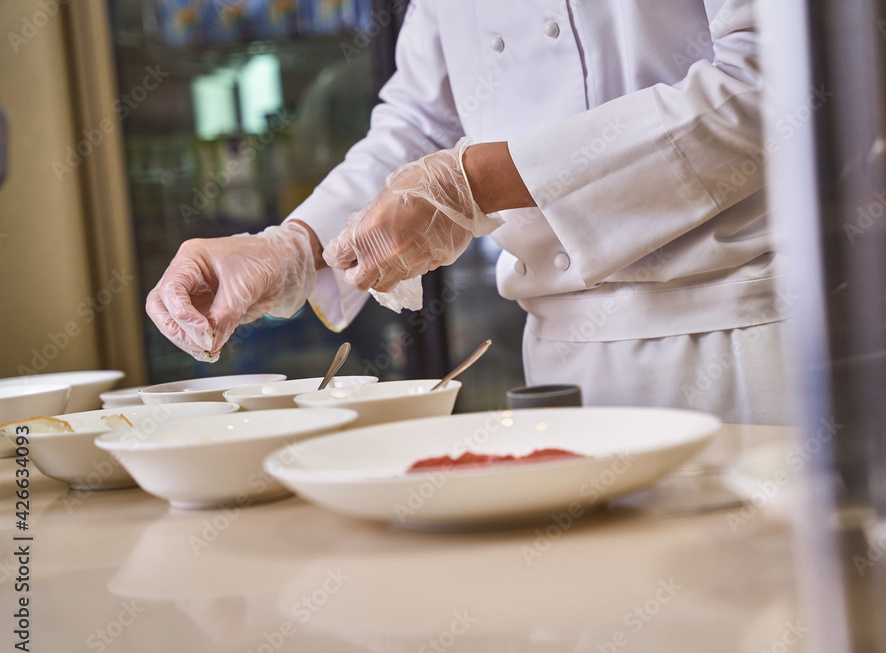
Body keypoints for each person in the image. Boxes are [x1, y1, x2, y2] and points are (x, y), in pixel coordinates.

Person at [148, 0, 789, 425]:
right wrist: (292, 247)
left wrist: (477, 185)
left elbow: (774, 84)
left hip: (744, 339)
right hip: (562, 361)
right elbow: (422, 121)